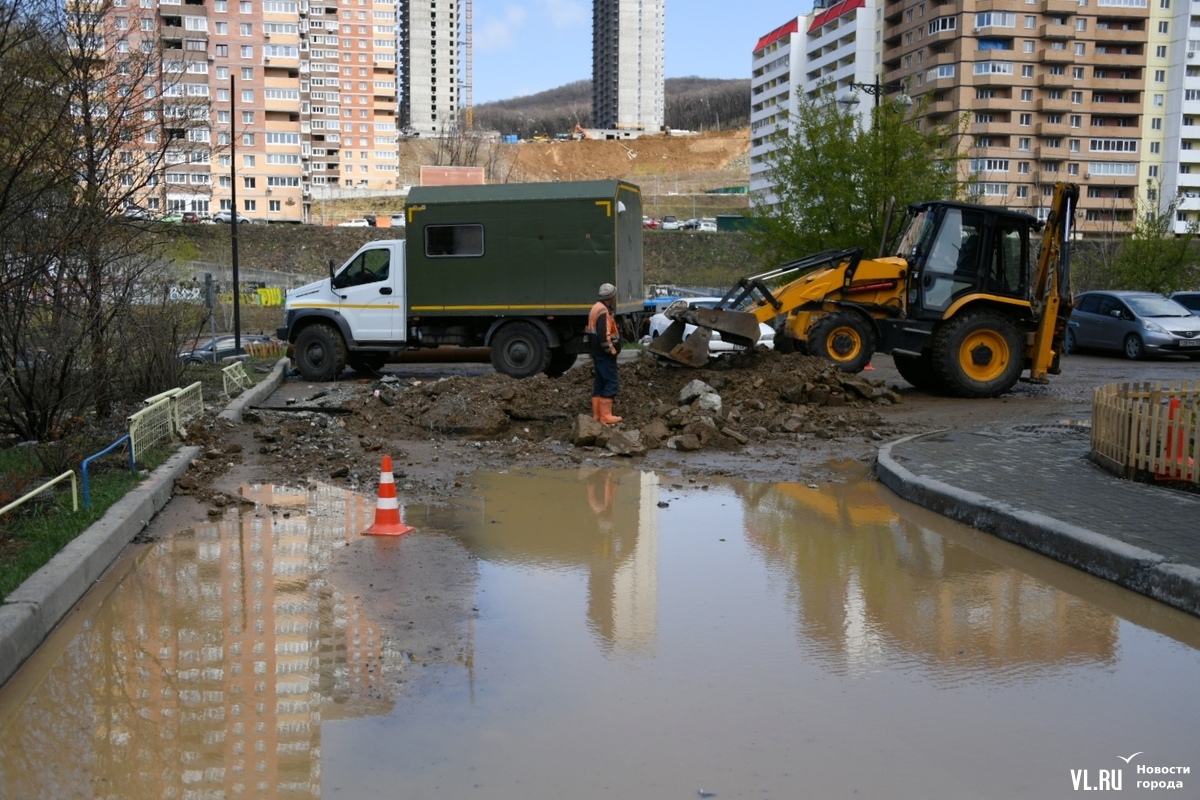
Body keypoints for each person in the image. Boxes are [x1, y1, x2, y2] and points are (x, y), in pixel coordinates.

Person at [587, 283, 622, 424]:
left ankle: (597, 416)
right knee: (611, 382)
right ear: (611, 297)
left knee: (600, 383)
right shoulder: (602, 311)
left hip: (596, 352)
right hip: (604, 353)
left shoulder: (596, 307)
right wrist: (612, 352)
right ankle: (606, 416)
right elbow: (604, 336)